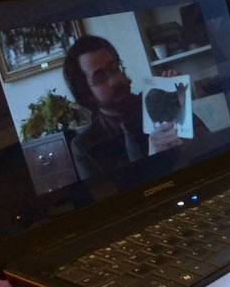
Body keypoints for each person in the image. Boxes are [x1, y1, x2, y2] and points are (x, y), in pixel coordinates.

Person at [62, 34, 192, 180]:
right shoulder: (85, 146)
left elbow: (207, 151)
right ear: (86, 93)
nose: (115, 80)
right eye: (100, 78)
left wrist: (181, 109)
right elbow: (111, 201)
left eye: (115, 68)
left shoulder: (157, 100)